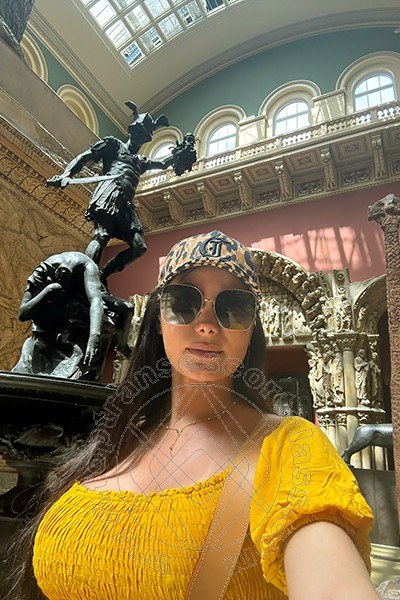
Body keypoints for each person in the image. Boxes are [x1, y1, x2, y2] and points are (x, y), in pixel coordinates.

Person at [4, 231, 379, 599]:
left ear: (251, 329)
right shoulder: (116, 436)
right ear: (157, 318)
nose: (206, 324)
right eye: (183, 300)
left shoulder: (289, 446)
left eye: (234, 305)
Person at [46, 104, 196, 281]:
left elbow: (163, 164)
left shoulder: (140, 161)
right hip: (110, 191)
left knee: (138, 247)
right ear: (132, 131)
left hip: (126, 204)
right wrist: (66, 175)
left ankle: (102, 275)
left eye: (143, 136)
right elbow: (85, 157)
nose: (139, 137)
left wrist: (181, 153)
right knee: (102, 235)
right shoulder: (113, 145)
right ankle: (83, 275)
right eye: (137, 133)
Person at [12, 251, 133, 380]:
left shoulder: (86, 265)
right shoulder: (41, 274)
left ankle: (121, 346)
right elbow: (23, 313)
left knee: (127, 309)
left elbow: (95, 300)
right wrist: (48, 290)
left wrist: (94, 336)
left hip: (84, 305)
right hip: (50, 325)